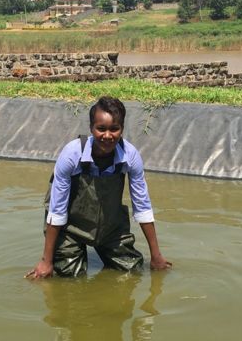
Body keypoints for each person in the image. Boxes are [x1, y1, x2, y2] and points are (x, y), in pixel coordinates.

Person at [26, 96, 171, 278]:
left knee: (131, 271)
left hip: (111, 228)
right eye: (101, 129)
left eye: (114, 129)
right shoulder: (72, 154)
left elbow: (142, 206)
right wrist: (45, 262)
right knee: (70, 279)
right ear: (91, 129)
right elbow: (57, 209)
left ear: (122, 130)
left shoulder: (130, 156)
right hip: (70, 228)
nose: (107, 136)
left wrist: (156, 256)